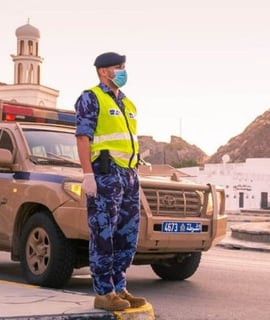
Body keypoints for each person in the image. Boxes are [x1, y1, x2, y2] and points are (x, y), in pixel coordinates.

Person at [74, 52, 147, 311]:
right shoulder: (91, 98)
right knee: (103, 234)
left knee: (126, 235)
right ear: (104, 71)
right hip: (105, 175)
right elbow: (83, 137)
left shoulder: (129, 104)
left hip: (128, 175)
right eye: (119, 67)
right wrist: (88, 174)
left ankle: (119, 287)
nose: (123, 71)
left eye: (124, 66)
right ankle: (104, 293)